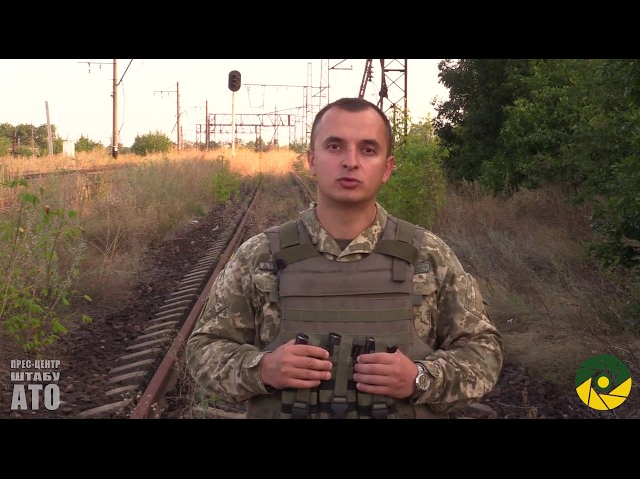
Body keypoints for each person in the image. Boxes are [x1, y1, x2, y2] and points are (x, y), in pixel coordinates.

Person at [185, 97, 504, 419]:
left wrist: (420, 379)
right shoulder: (260, 256)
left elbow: (484, 353)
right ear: (312, 161)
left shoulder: (428, 255)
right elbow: (204, 350)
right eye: (335, 147)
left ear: (387, 168)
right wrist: (263, 368)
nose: (351, 162)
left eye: (368, 149)